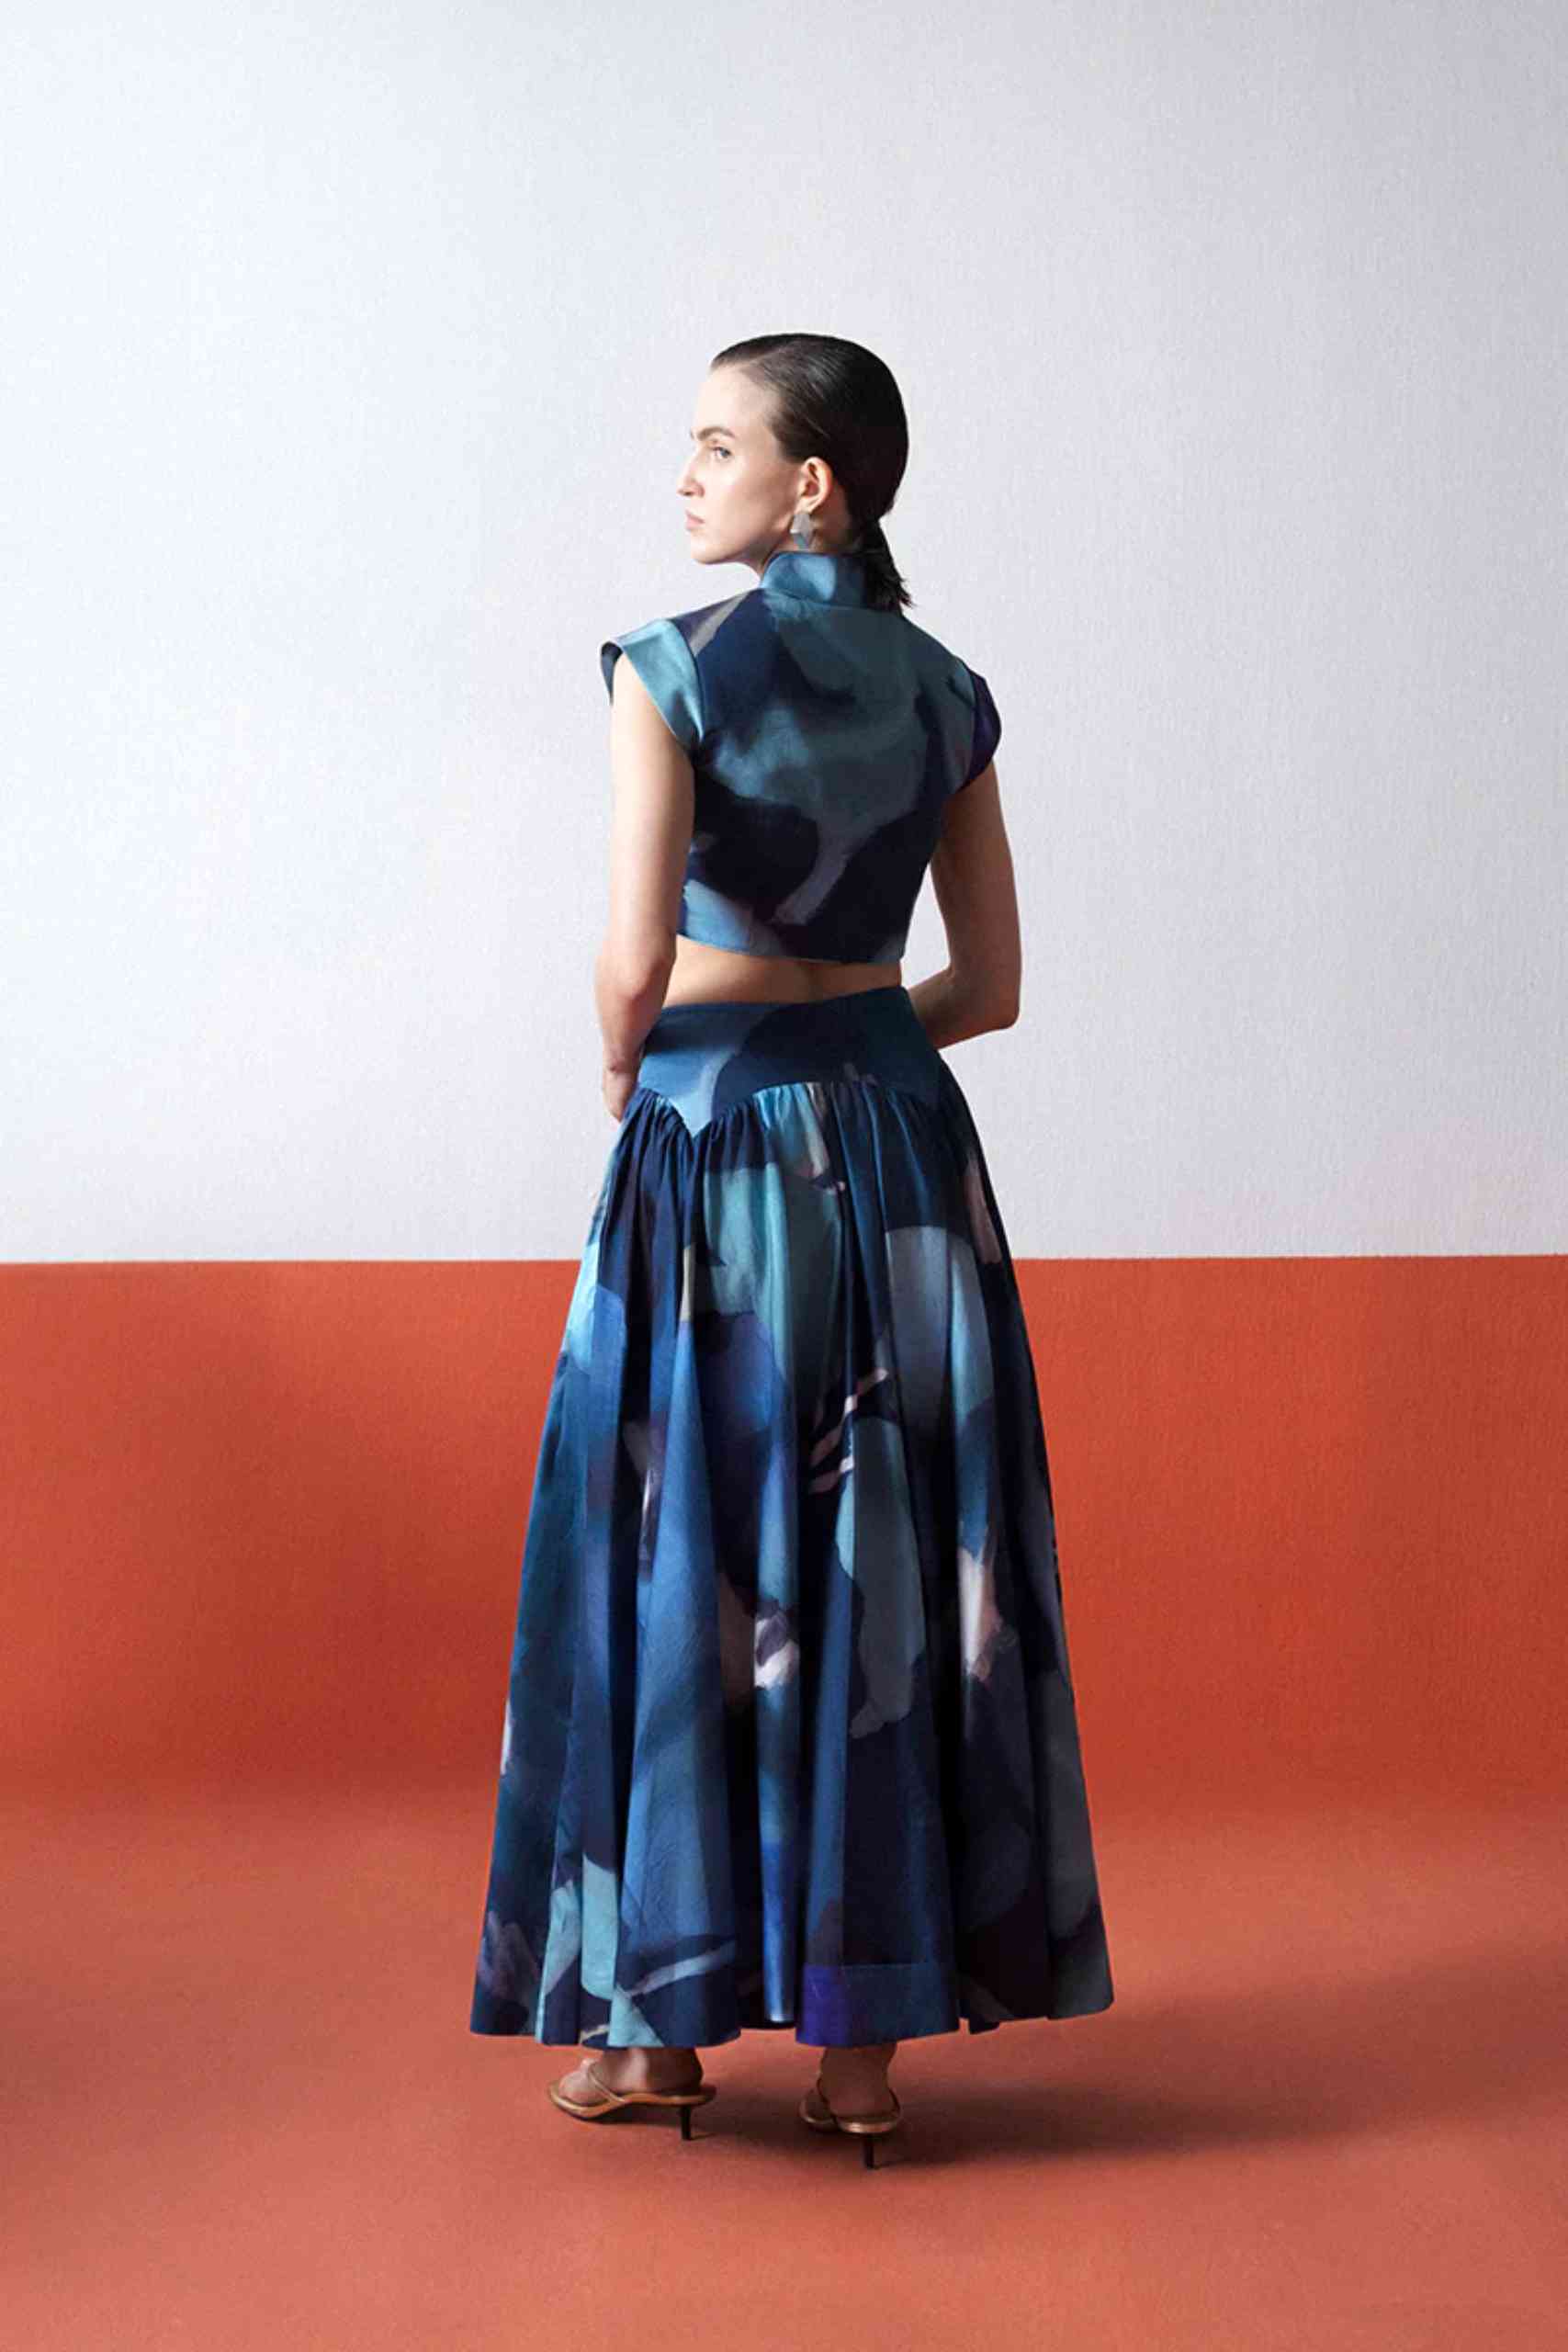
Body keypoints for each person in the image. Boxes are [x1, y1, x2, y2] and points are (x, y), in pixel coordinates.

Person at [468, 333, 1113, 2163]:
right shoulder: (948, 691)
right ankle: (861, 2056)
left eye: (714, 443)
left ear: (808, 482)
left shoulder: (671, 666)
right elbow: (987, 985)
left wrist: (634, 1068)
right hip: (902, 1162)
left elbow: (632, 961)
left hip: (714, 1155)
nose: (686, 477)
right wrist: (857, 1041)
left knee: (686, 1544)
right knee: (880, 1560)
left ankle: (655, 2040)